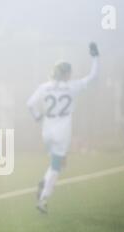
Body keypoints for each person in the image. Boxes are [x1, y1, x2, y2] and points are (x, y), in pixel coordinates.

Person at [27, 43, 99, 213]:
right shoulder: (72, 86)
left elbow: (29, 104)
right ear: (66, 74)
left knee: (56, 162)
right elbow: (93, 76)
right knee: (57, 166)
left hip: (47, 130)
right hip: (62, 131)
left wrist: (37, 117)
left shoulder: (44, 87)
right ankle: (43, 199)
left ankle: (44, 182)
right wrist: (95, 57)